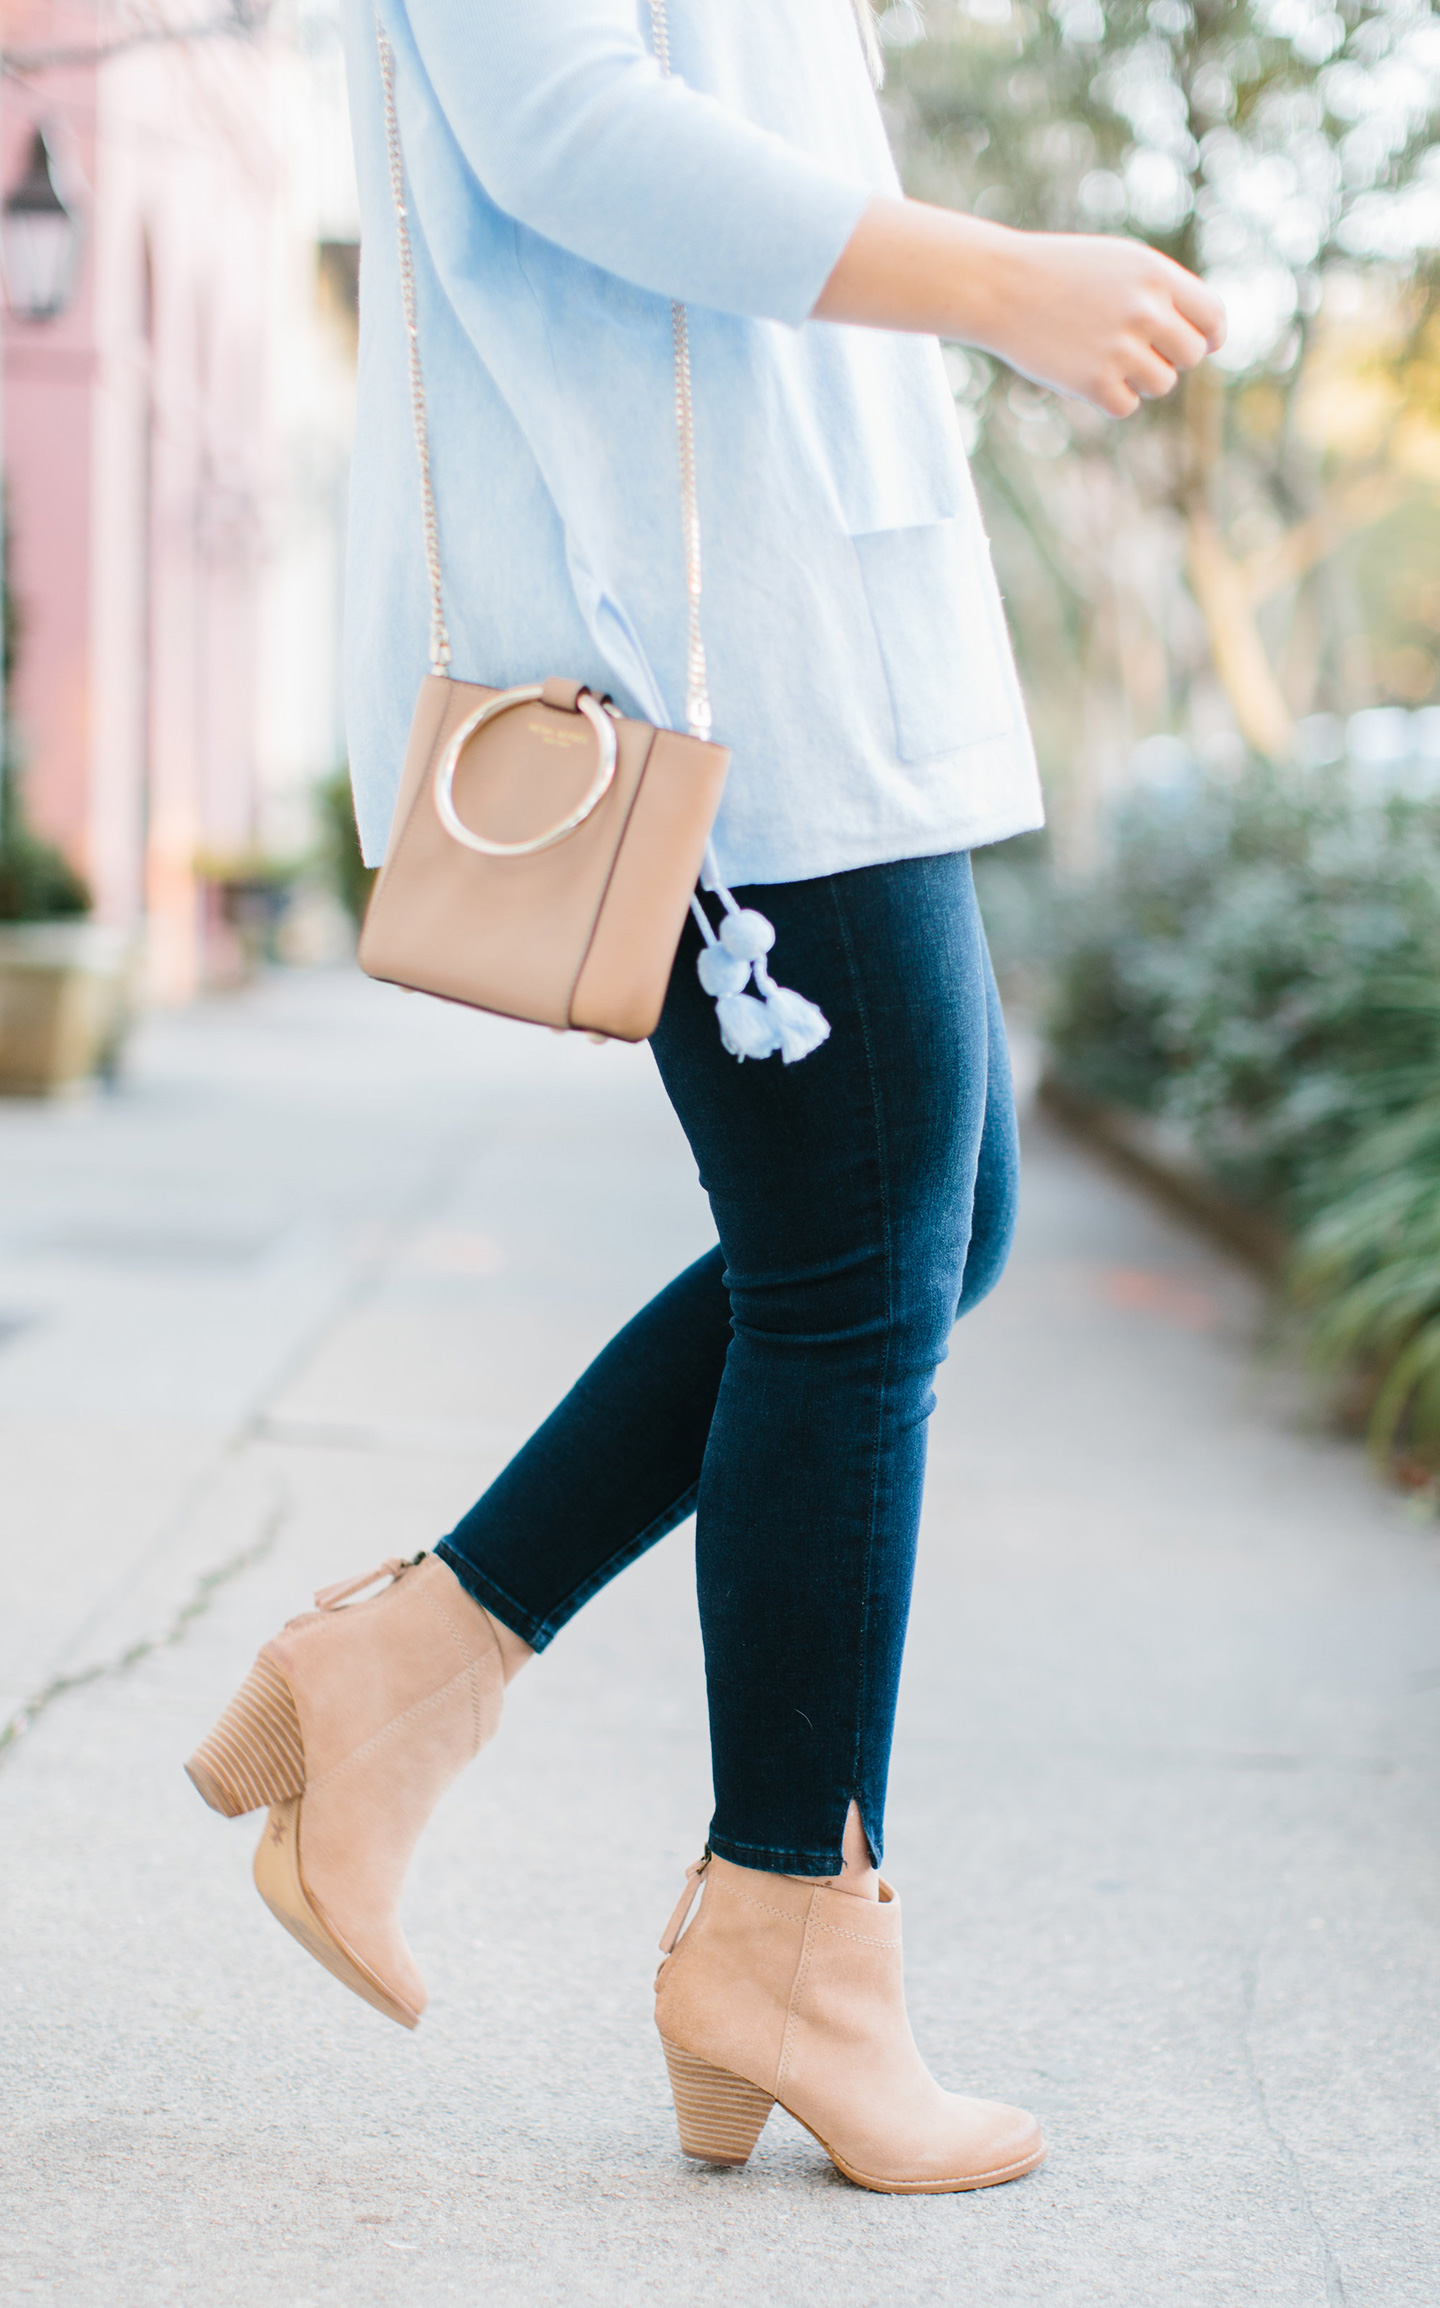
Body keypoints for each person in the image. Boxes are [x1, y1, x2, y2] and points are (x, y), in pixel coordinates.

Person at [185, 0, 1223, 2195]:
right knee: (860, 1266)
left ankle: (411, 1665)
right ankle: (783, 1933)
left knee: (916, 1234)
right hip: (696, 639)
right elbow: (568, 125)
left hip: (781, 615)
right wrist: (998, 275)